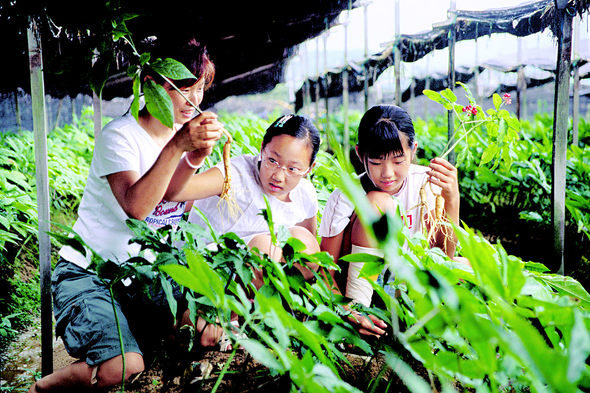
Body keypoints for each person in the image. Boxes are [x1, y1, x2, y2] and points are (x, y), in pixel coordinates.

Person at [30, 39, 225, 392]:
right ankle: (46, 387)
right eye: (181, 88)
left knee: (206, 331)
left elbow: (174, 198)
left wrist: (195, 159)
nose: (193, 101)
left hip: (144, 278)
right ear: (150, 83)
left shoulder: (186, 141)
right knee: (124, 367)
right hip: (90, 275)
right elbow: (137, 208)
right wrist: (180, 146)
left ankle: (135, 341)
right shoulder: (120, 136)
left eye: (199, 90)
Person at [319, 104, 463, 337]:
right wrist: (347, 310)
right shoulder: (345, 196)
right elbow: (324, 270)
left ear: (413, 150)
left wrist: (452, 199)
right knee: (378, 203)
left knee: (465, 267)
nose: (387, 173)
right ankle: (357, 325)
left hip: (406, 289)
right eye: (376, 161)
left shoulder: (427, 185)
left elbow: (442, 258)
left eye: (398, 161)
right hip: (357, 290)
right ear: (360, 154)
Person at [164, 114, 321, 282]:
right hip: (208, 264)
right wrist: (192, 157)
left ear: (309, 168)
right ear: (262, 149)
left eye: (292, 169)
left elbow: (309, 255)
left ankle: (277, 299)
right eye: (272, 160)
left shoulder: (305, 193)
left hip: (260, 272)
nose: (279, 176)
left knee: (306, 245)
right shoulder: (236, 175)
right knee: (265, 250)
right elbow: (175, 193)